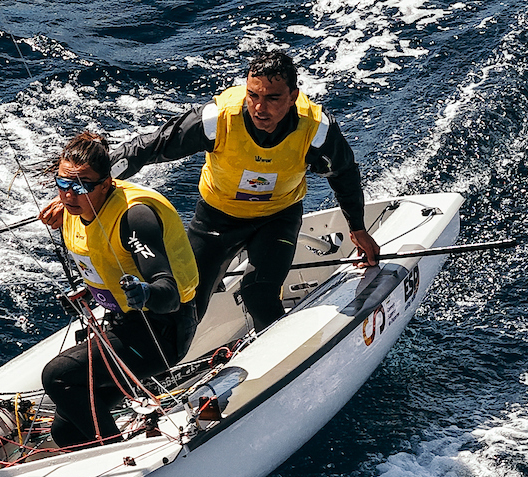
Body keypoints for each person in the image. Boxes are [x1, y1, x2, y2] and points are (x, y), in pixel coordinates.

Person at [111, 48, 381, 330]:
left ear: (292, 97)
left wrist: (358, 228)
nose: (260, 108)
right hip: (216, 218)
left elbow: (344, 174)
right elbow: (150, 147)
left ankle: (280, 352)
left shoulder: (316, 129)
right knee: (183, 300)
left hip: (277, 218)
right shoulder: (218, 118)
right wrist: (95, 176)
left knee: (258, 294)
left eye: (272, 98)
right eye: (253, 95)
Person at [38, 131, 199, 449]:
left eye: (81, 186)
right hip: (122, 323)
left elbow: (168, 291)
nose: (69, 195)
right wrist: (90, 292)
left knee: (57, 376)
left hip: (161, 332)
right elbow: (102, 257)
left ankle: (117, 454)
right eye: (63, 183)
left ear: (107, 184)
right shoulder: (74, 207)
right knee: (66, 432)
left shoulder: (134, 217)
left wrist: (146, 293)